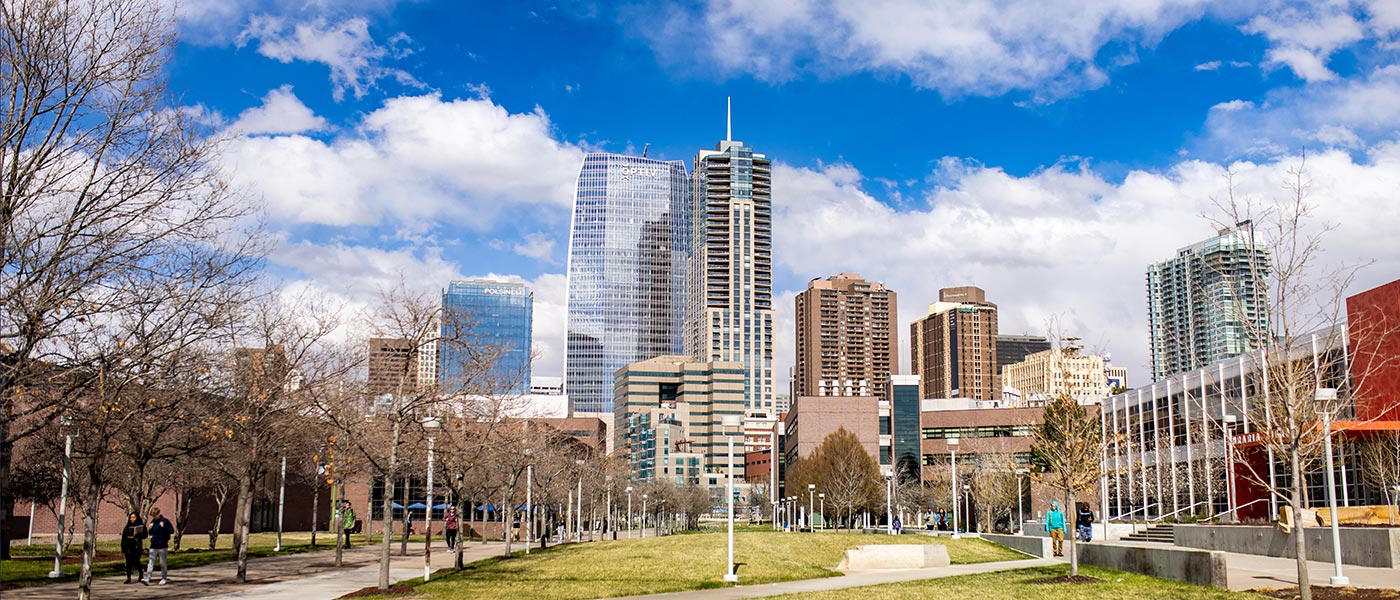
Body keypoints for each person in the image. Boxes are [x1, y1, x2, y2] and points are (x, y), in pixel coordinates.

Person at [145, 507, 174, 585]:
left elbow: (171, 530)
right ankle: (147, 578)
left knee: (162, 563)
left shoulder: (165, 521)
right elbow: (151, 533)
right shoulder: (153, 522)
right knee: (151, 562)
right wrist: (150, 528)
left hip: (162, 545)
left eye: (154, 515)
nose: (154, 517)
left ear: (158, 514)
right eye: (152, 516)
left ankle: (164, 578)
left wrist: (163, 527)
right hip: (154, 544)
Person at [120, 512, 147, 584]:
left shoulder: (141, 525)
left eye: (134, 517)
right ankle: (128, 578)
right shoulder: (128, 526)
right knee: (128, 562)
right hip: (128, 546)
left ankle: (141, 573)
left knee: (136, 561)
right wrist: (123, 548)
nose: (132, 519)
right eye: (131, 517)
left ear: (137, 517)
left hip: (136, 546)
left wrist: (138, 535)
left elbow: (145, 535)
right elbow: (123, 538)